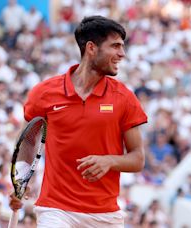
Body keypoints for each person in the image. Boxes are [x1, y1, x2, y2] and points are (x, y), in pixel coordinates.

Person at [9, 15, 148, 227]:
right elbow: (27, 139)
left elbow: (138, 158)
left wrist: (109, 161)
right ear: (91, 48)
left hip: (105, 216)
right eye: (115, 46)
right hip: (56, 210)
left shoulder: (125, 98)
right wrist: (21, 177)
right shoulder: (44, 93)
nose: (122, 53)